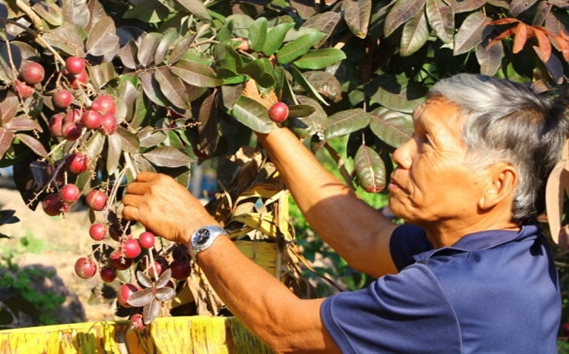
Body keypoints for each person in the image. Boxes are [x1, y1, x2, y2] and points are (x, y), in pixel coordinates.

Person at [122, 73, 566, 353]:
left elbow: (284, 330)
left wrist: (196, 228)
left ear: (496, 184)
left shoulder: (453, 292)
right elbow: (365, 242)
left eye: (427, 142)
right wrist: (267, 123)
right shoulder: (509, 249)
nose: (401, 153)